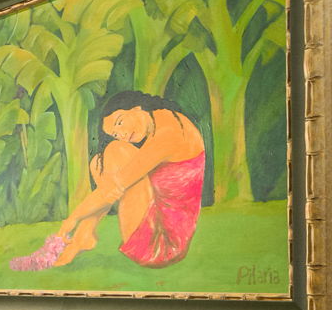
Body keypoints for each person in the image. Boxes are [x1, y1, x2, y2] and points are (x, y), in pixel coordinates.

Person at [10, 90, 206, 272]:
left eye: (119, 123)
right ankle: (84, 236)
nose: (120, 134)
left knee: (115, 151)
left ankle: (81, 238)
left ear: (138, 108)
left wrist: (71, 220)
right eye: (114, 133)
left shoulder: (169, 133)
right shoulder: (164, 119)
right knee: (99, 163)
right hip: (157, 223)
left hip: (160, 246)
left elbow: (113, 187)